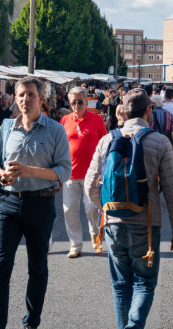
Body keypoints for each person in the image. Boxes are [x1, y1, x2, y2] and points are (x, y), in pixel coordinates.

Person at [85, 89, 173, 329]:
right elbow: (172, 190)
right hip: (147, 223)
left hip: (113, 224)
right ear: (148, 111)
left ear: (123, 111)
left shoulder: (107, 140)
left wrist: (107, 209)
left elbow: (90, 186)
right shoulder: (160, 141)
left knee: (120, 285)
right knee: (144, 282)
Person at [0, 76, 72, 329]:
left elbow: (64, 171)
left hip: (40, 204)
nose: (25, 99)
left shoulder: (55, 130)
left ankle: (31, 322)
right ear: (16, 98)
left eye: (31, 94)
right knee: (0, 270)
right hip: (9, 204)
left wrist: (30, 170)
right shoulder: (6, 128)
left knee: (37, 268)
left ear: (40, 98)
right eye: (21, 95)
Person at [60, 86, 108, 258]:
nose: (77, 105)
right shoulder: (65, 120)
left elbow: (105, 144)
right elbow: (60, 146)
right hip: (70, 173)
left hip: (92, 174)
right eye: (73, 102)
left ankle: (95, 235)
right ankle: (75, 245)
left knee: (91, 208)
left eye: (80, 101)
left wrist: (104, 168)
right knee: (69, 210)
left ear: (87, 102)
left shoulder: (96, 120)